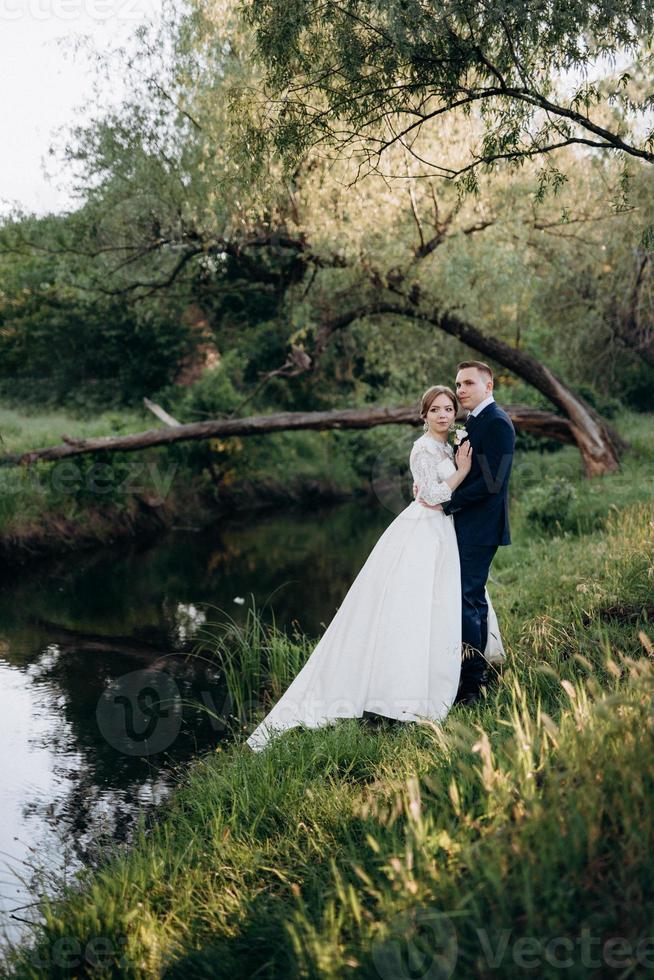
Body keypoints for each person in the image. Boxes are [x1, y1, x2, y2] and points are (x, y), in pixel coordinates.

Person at [246, 384, 505, 753]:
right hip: (426, 532)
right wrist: (461, 472)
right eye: (435, 410)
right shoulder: (422, 448)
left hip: (447, 532)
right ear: (424, 415)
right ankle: (403, 690)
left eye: (449, 408)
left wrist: (458, 468)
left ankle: (459, 671)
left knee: (446, 602)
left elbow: (440, 488)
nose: (444, 415)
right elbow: (432, 496)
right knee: (418, 606)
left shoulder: (449, 445)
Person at [414, 361, 515, 705]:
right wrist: (433, 483)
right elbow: (461, 469)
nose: (461, 390)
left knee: (468, 601)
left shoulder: (497, 423)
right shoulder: (473, 421)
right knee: (468, 598)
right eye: (458, 384)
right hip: (463, 525)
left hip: (479, 528)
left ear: (488, 386)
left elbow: (492, 484)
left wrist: (446, 501)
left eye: (468, 383)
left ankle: (471, 686)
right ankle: (472, 674)